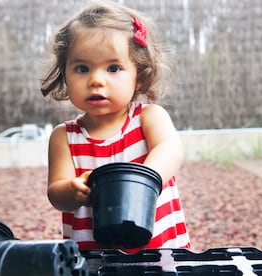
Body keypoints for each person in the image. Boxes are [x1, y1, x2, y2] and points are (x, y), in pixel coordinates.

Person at [40, 0, 190, 252]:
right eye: (82, 68)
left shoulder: (148, 118)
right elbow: (56, 194)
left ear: (139, 77)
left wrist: (141, 181)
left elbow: (170, 149)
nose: (96, 80)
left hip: (160, 250)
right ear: (64, 75)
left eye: (113, 68)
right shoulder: (64, 137)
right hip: (95, 257)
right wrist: (72, 191)